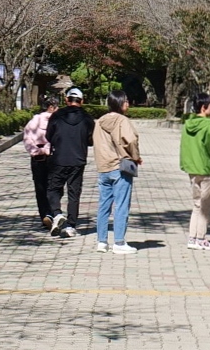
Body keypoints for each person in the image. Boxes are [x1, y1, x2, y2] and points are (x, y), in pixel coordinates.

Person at [90, 93, 142, 254]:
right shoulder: (122, 120)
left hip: (103, 167)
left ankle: (102, 241)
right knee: (121, 205)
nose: (128, 103)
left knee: (104, 205)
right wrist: (136, 157)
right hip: (120, 167)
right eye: (126, 101)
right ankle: (119, 242)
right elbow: (131, 140)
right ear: (119, 103)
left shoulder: (100, 121)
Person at [179, 93, 210, 250]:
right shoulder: (209, 125)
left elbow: (184, 148)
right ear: (203, 107)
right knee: (205, 208)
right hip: (208, 172)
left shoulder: (187, 125)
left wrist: (186, 165)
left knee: (197, 205)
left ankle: (192, 238)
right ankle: (201, 238)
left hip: (193, 170)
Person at [45, 86, 94, 237]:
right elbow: (91, 140)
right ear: (82, 101)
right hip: (78, 160)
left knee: (53, 189)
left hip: (59, 158)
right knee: (74, 193)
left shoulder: (57, 115)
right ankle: (71, 226)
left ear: (66, 100)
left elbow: (48, 136)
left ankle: (57, 213)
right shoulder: (87, 118)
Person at [22, 94, 58, 235]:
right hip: (52, 157)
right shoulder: (56, 121)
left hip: (37, 159)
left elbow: (27, 139)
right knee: (53, 186)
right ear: (51, 107)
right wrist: (48, 148)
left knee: (40, 187)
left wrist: (36, 150)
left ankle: (45, 214)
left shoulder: (33, 121)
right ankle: (53, 212)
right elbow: (58, 139)